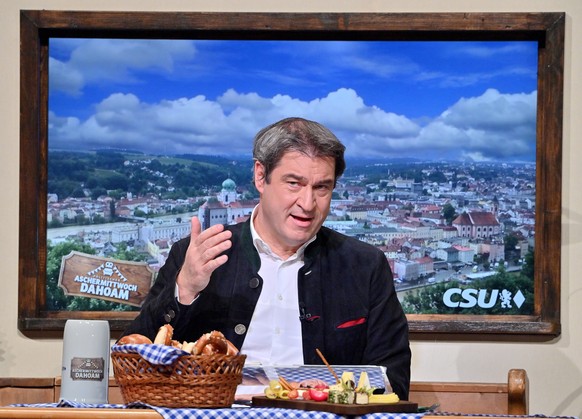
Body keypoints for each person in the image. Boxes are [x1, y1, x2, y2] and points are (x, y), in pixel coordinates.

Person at [121, 117, 412, 399]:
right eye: (294, 184)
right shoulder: (195, 253)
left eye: (321, 187)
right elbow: (134, 359)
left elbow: (393, 379)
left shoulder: (365, 265)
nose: (308, 204)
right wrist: (183, 291)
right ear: (261, 176)